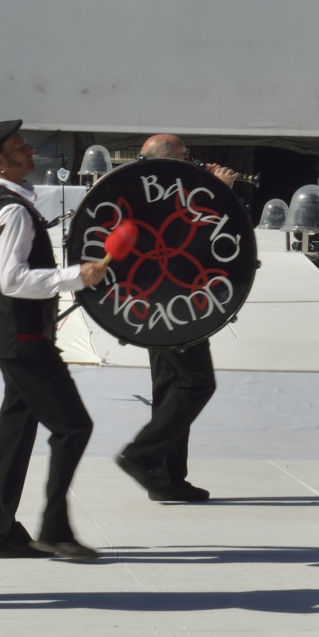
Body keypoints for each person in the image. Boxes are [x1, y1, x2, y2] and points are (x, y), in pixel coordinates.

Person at [0, 120, 106, 560]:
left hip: (14, 339)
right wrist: (78, 276)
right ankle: (54, 529)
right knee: (74, 427)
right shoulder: (12, 210)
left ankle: (3, 533)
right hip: (26, 340)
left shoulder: (1, 204)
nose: (30, 149)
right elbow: (12, 280)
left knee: (17, 435)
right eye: (20, 147)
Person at [113, 134, 235, 503]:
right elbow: (193, 238)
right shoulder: (162, 192)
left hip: (156, 300)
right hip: (176, 298)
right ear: (166, 159)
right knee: (196, 384)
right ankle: (142, 455)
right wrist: (219, 192)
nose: (192, 162)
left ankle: (166, 477)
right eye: (185, 157)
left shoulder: (143, 189)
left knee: (170, 387)